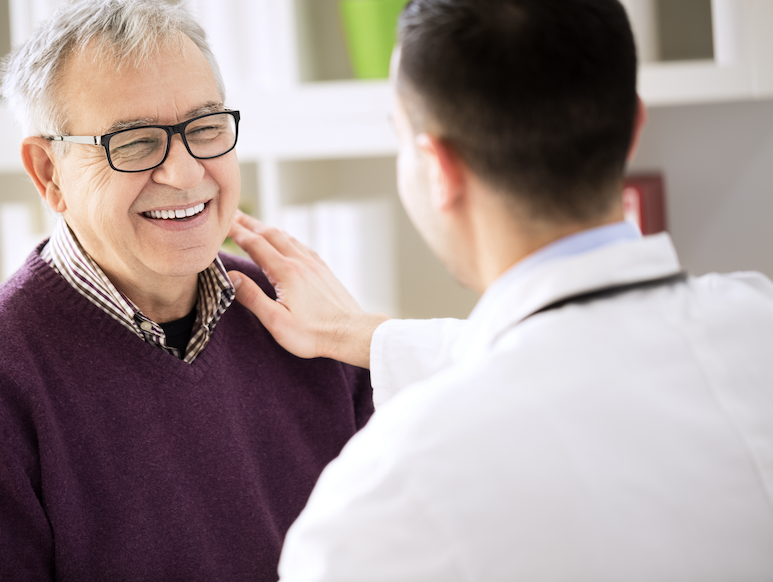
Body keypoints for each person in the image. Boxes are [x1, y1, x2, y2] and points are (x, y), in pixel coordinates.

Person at [227, 0, 773, 579]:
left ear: (438, 167)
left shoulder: (384, 503)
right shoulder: (754, 319)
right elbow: (582, 358)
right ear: (635, 126)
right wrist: (370, 335)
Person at [0, 1, 372, 580]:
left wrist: (368, 342)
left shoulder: (309, 318)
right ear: (49, 173)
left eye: (206, 127)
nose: (187, 172)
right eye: (137, 142)